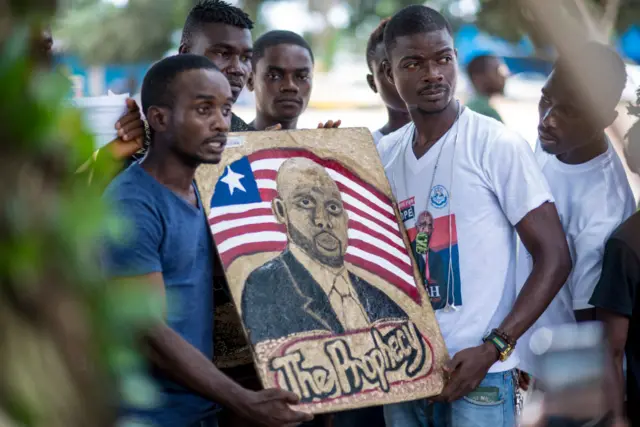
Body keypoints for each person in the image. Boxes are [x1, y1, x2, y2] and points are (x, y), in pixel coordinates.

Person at [377, 6, 571, 427]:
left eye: (443, 58)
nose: (434, 74)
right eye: (414, 63)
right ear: (389, 75)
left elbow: (555, 255)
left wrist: (494, 347)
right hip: (404, 375)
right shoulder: (385, 156)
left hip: (480, 378)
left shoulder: (496, 144)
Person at [102, 54, 313, 427]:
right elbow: (149, 334)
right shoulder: (132, 204)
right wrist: (243, 400)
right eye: (204, 109)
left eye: (226, 109)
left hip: (199, 412)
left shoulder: (200, 192)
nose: (221, 124)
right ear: (159, 118)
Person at [516, 42, 635, 381]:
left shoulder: (603, 212)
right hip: (520, 353)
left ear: (604, 119)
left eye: (569, 110)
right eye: (546, 99)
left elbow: (589, 332)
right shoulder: (555, 142)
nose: (548, 119)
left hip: (558, 375)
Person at [242, 157, 407, 343]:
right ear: (281, 211)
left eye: (333, 207)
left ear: (346, 218)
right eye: (305, 202)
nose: (323, 220)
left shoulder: (379, 300)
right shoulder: (266, 285)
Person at [590, 211, 640, 427]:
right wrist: (616, 418)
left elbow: (612, 351)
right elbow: (611, 351)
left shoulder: (627, 242)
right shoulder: (626, 244)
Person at [247, 30, 340, 131]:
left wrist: (325, 146)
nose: (290, 86)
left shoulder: (317, 144)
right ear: (250, 80)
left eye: (302, 77)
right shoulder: (231, 142)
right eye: (274, 76)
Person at [366, 18, 411, 145]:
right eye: (388, 70)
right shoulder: (368, 150)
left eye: (410, 65)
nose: (400, 77)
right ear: (372, 83)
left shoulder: (461, 138)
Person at [465, 54, 507, 122]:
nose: (504, 76)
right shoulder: (485, 113)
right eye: (497, 71)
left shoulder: (470, 109)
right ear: (478, 77)